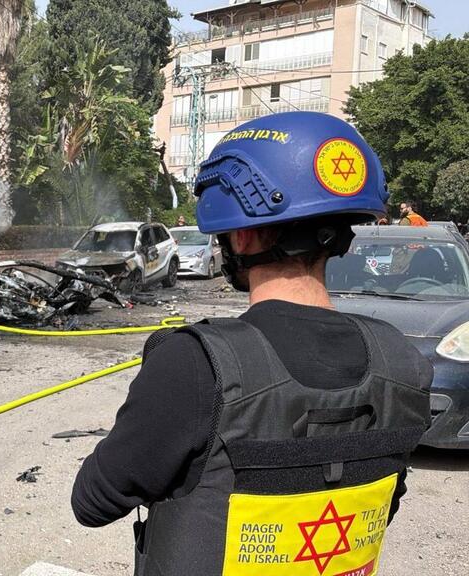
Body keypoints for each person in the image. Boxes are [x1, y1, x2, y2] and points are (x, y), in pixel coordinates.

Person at [71, 112, 432, 576]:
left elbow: (92, 502)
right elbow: (384, 501)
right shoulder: (402, 361)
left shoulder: (196, 365)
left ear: (240, 236)